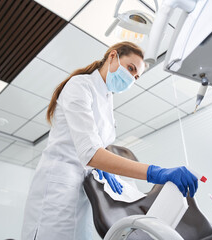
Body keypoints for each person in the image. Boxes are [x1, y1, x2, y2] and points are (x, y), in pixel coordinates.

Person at [21, 41, 198, 240]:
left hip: (84, 190)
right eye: (130, 68)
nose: (131, 78)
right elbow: (90, 152)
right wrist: (156, 173)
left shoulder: (107, 99)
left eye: (136, 76)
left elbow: (98, 149)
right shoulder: (80, 86)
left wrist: (102, 169)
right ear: (112, 57)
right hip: (58, 186)